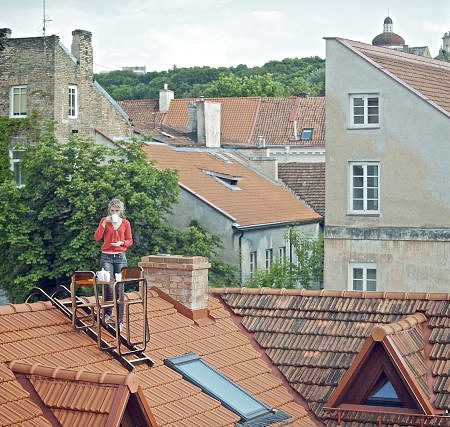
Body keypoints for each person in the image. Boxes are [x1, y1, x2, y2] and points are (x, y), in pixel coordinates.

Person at [94, 198, 133, 329]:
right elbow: (97, 237)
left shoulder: (126, 223)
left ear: (120, 211)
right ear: (109, 210)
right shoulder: (104, 221)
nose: (114, 212)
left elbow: (129, 240)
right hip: (106, 257)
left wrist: (121, 243)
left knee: (119, 288)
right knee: (108, 286)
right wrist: (104, 223)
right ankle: (107, 313)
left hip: (121, 257)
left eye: (117, 210)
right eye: (112, 210)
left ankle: (120, 320)